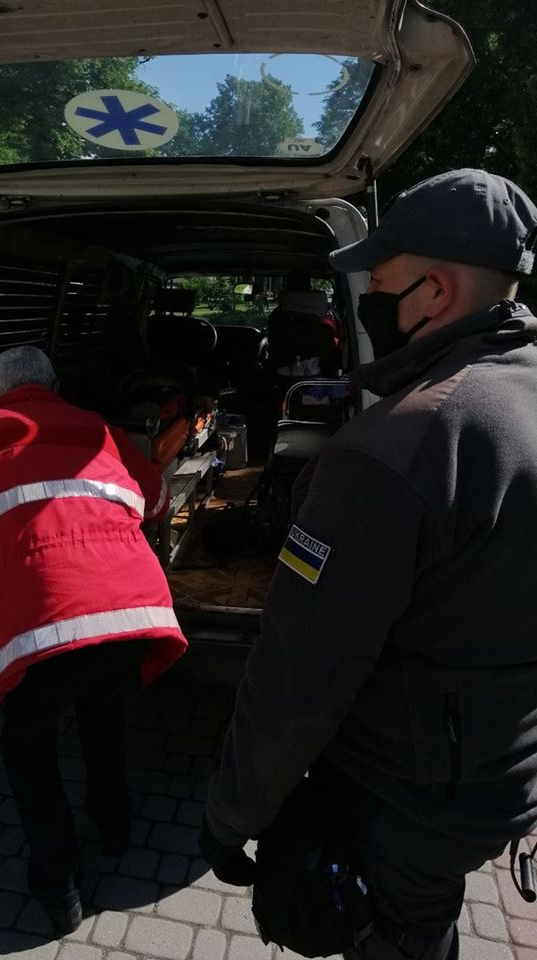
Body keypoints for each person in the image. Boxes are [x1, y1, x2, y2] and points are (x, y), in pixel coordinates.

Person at [199, 169, 537, 960]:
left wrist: (233, 811)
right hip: (496, 770)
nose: (368, 305)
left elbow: (301, 671)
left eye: (379, 285)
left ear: (435, 291)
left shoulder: (396, 448)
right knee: (425, 920)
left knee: (395, 937)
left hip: (405, 796)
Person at [0, 345, 187, 936]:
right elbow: (156, 500)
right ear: (53, 385)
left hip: (44, 621)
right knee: (102, 706)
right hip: (133, 613)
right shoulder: (97, 428)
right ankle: (115, 829)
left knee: (28, 744)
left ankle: (60, 886)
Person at [266, 268, 341, 377]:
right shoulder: (326, 331)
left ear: (286, 288)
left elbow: (273, 352)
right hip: (321, 382)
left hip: (281, 380)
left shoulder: (277, 319)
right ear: (309, 287)